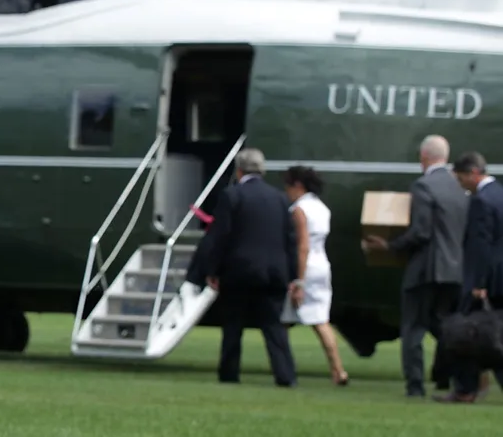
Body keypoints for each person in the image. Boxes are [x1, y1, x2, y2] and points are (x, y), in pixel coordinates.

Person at [363, 134, 467, 397]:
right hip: (453, 270)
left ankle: (415, 385)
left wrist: (389, 246)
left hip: (425, 269)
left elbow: (421, 232)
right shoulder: (460, 189)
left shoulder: (423, 186)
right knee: (443, 327)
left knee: (413, 328)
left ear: (423, 157)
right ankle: (456, 378)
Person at [200, 147, 299, 387]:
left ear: (239, 170)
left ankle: (229, 374)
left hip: (239, 271)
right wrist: (293, 275)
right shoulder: (280, 198)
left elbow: (221, 236)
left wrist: (212, 269)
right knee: (273, 326)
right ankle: (285, 375)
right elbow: (290, 239)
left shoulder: (232, 196)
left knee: (233, 325)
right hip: (274, 272)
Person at [435, 151, 503, 404]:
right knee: (495, 335)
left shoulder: (481, 201)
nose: (460, 184)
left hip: (486, 280)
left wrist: (477, 283)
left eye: (461, 178)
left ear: (474, 173)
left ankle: (465, 389)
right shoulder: (499, 194)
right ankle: (467, 388)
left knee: (465, 333)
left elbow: (480, 246)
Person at [279, 165, 348, 386]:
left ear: (298, 185)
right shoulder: (322, 208)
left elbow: (302, 246)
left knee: (282, 322)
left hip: (304, 266)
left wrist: (299, 281)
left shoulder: (299, 210)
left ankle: (284, 367)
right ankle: (338, 369)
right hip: (322, 264)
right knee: (320, 321)